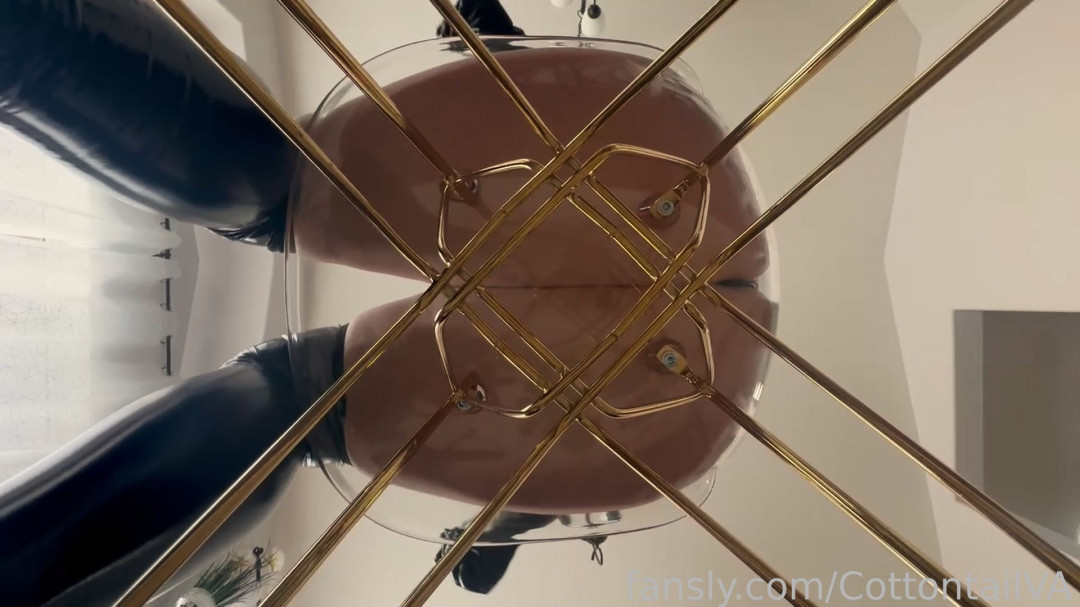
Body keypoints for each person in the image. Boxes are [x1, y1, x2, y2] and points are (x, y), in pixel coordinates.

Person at [0, 0, 773, 604]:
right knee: (300, 392)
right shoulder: (688, 430)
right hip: (608, 354)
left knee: (286, 207)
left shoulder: (700, 172)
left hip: (607, 202)